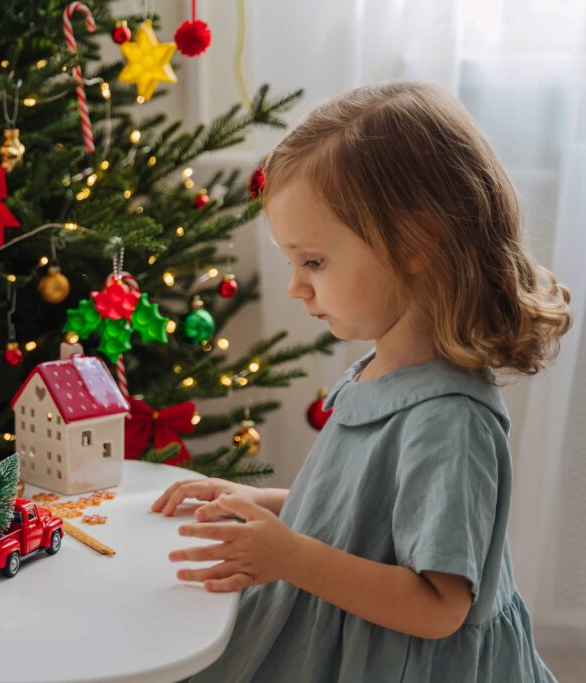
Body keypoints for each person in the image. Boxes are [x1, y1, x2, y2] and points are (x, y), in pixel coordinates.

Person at [154, 81, 570, 682]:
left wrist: (291, 555)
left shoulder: (449, 421)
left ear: (413, 242)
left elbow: (438, 607)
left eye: (314, 262)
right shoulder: (383, 370)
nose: (296, 286)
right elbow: (371, 519)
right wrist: (267, 504)